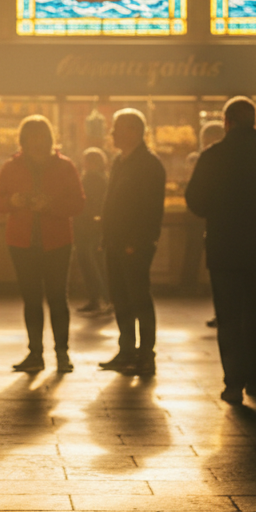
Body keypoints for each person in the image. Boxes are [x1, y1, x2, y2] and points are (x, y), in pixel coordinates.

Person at [186, 97, 256, 404]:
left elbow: (194, 200)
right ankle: (254, 374)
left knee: (229, 316)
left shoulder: (213, 156)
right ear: (255, 123)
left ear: (227, 121)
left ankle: (233, 382)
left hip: (224, 248)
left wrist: (217, 208)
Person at [0, 115, 85, 373]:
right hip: (21, 242)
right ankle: (35, 354)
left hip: (58, 243)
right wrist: (14, 201)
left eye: (42, 138)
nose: (37, 144)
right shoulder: (12, 167)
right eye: (31, 139)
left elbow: (79, 203)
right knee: (31, 299)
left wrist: (51, 205)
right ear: (23, 141)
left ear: (50, 139)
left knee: (57, 298)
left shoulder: (65, 167)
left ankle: (62, 354)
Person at [99, 109, 168, 375]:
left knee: (139, 297)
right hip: (115, 243)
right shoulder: (119, 161)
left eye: (117, 128)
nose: (112, 133)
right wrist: (107, 237)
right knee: (120, 298)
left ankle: (145, 354)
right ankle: (126, 349)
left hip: (134, 245)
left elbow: (151, 210)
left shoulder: (149, 165)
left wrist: (136, 241)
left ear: (134, 132)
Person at [73, 147, 111, 317]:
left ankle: (103, 298)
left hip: (86, 225)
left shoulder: (90, 178)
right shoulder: (103, 178)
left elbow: (84, 200)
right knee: (95, 261)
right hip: (94, 225)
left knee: (89, 262)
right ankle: (98, 299)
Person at [196, 121, 226, 329]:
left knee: (221, 277)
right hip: (232, 231)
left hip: (219, 230)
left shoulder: (210, 160)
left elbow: (195, 195)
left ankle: (223, 312)